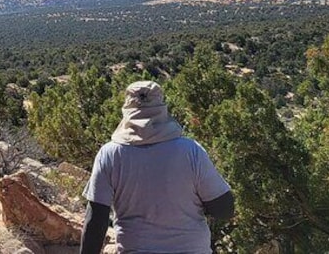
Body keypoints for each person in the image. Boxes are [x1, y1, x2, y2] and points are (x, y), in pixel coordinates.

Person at [80, 81, 234, 254]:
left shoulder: (110, 154)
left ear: (127, 109)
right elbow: (224, 208)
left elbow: (96, 220)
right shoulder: (191, 151)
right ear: (162, 108)